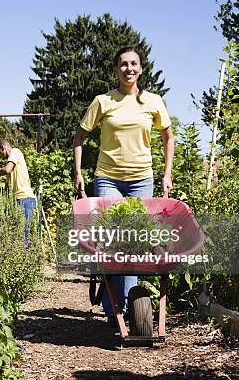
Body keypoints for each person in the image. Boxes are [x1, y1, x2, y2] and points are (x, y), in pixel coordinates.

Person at [72, 46, 174, 322]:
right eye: (123, 64)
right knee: (113, 243)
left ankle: (126, 307)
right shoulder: (103, 102)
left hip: (142, 180)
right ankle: (115, 308)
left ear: (141, 69)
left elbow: (168, 137)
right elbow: (79, 137)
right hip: (108, 179)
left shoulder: (153, 102)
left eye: (134, 64)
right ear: (117, 69)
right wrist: (79, 173)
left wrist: (167, 174)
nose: (129, 68)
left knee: (132, 244)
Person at [0, 139, 37, 244]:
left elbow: (6, 170)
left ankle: (26, 258)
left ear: (3, 148)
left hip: (25, 199)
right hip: (19, 199)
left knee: (24, 234)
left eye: (0, 152)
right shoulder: (11, 163)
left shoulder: (15, 152)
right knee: (19, 233)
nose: (0, 155)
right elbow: (7, 186)